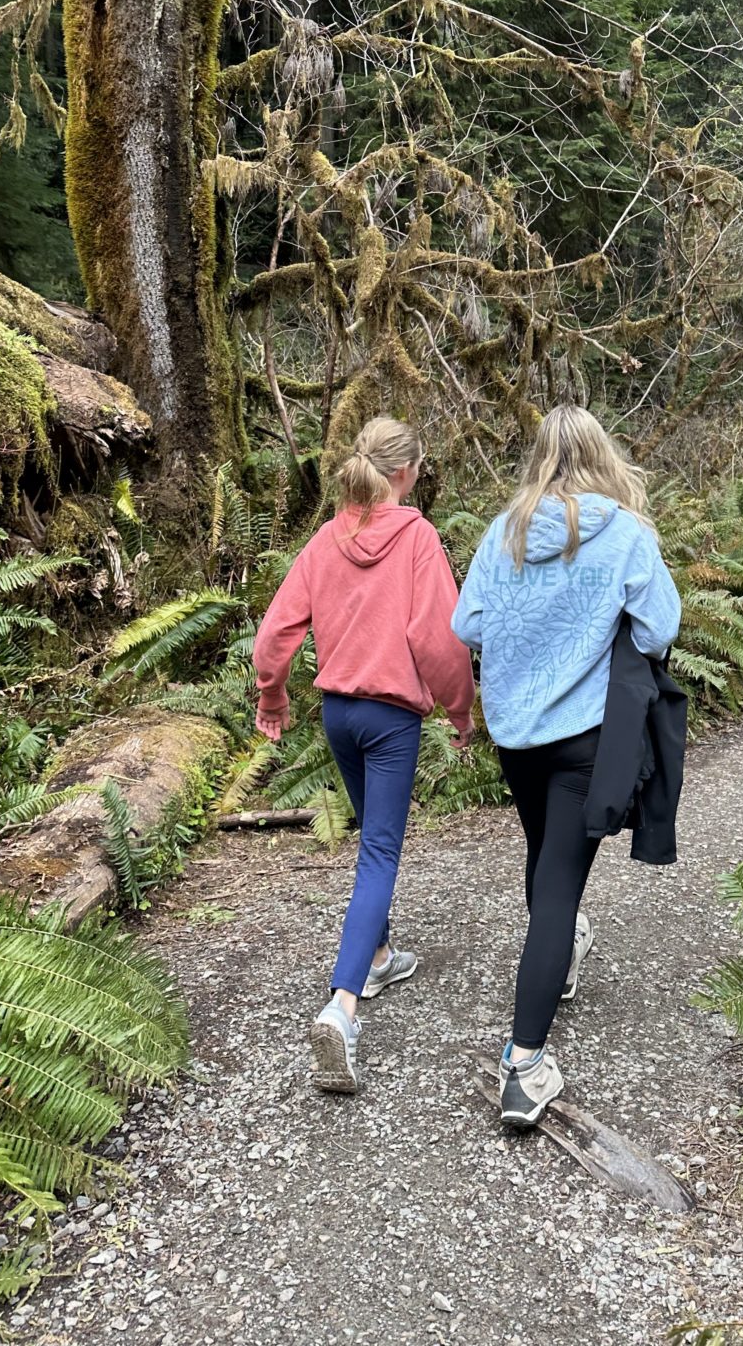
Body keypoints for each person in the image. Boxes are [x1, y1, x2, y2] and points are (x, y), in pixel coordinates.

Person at [452, 405, 681, 1127]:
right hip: (585, 734)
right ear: (600, 454)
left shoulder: (506, 530)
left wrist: (530, 628)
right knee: (557, 889)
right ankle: (523, 1066)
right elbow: (660, 627)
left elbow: (468, 626)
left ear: (539, 459)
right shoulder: (625, 533)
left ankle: (558, 964)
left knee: (545, 862)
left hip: (516, 732)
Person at [253, 417, 474, 1094]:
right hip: (389, 719)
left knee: (369, 839)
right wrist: (461, 711)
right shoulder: (415, 537)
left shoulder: (327, 538)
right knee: (379, 850)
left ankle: (378, 955)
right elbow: (439, 640)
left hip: (339, 716)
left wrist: (272, 700)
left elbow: (274, 635)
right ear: (406, 473)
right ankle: (342, 1007)